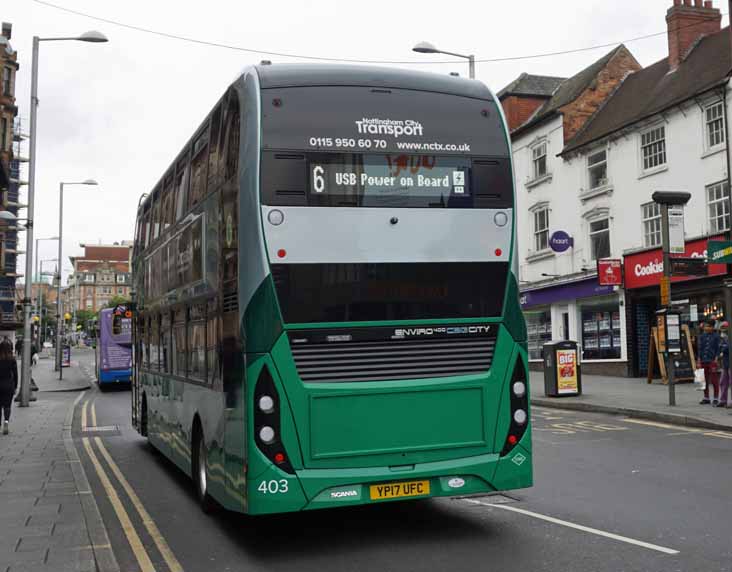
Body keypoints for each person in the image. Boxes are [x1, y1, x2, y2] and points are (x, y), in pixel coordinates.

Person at [697, 320, 721, 405]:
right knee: (703, 380)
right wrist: (699, 360)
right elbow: (700, 349)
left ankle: (716, 398)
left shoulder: (716, 336)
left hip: (712, 360)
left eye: (708, 326)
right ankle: (706, 397)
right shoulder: (702, 336)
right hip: (703, 360)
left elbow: (718, 349)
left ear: (712, 327)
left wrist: (716, 359)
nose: (706, 328)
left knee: (714, 380)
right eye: (705, 326)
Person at [0, 339, 18, 435]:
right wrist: (15, 386)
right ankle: (6, 422)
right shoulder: (12, 359)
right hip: (8, 385)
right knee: (7, 406)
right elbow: (15, 374)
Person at [718, 322, 730, 408]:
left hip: (729, 361)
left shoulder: (726, 338)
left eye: (725, 328)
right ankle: (723, 400)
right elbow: (720, 347)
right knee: (723, 382)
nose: (723, 330)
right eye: (722, 328)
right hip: (725, 362)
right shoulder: (722, 338)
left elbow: (726, 347)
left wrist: (723, 347)